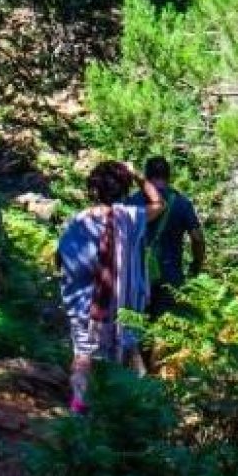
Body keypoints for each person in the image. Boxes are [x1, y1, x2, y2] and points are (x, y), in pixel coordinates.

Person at [55, 160, 163, 414]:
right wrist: (136, 174)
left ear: (93, 190)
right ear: (123, 190)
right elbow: (158, 204)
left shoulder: (77, 221)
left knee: (83, 354)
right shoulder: (130, 218)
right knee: (131, 348)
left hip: (85, 305)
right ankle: (134, 413)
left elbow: (62, 257)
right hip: (127, 303)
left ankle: (78, 408)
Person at [132, 156, 204, 320]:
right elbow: (197, 238)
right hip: (171, 276)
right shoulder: (181, 202)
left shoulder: (133, 201)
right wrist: (196, 265)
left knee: (136, 326)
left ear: (147, 175)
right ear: (169, 175)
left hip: (138, 274)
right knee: (168, 331)